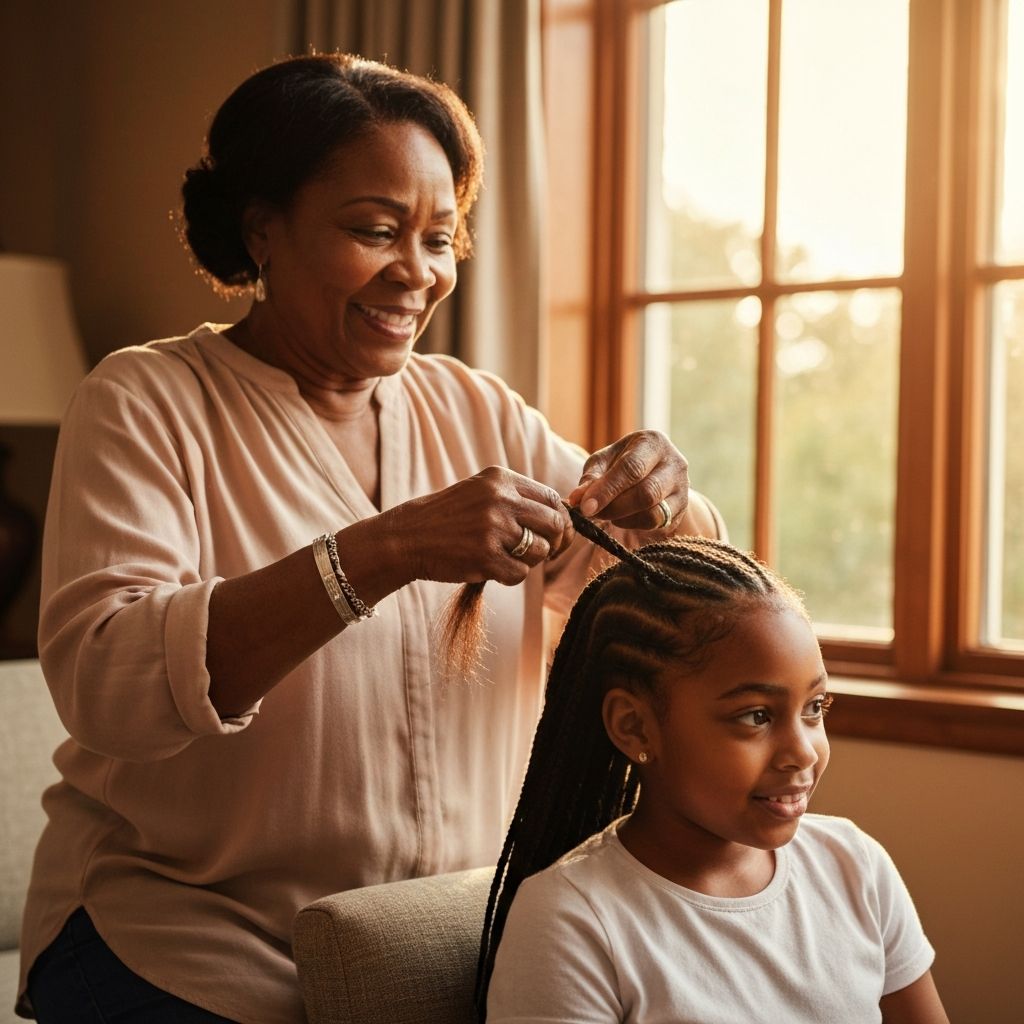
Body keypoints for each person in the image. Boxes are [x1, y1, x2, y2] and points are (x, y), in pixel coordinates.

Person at [16, 53, 724, 1024]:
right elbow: (108, 681)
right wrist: (380, 552)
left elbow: (634, 582)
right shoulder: (145, 400)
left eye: (440, 237)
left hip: (437, 937)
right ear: (261, 229)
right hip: (192, 940)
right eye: (374, 230)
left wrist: (663, 497)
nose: (418, 271)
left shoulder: (472, 407)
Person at [478, 510, 950, 1024]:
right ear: (635, 728)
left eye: (815, 707)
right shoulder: (572, 921)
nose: (804, 752)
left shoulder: (854, 865)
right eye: (756, 716)